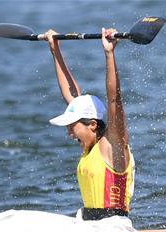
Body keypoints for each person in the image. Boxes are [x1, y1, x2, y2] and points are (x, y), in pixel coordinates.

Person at [45, 27, 135, 220]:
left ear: (93, 125)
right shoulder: (91, 145)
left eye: (72, 126)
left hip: (113, 230)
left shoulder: (113, 144)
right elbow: (72, 96)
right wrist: (55, 50)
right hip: (90, 227)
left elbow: (114, 101)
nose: (70, 133)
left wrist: (109, 54)